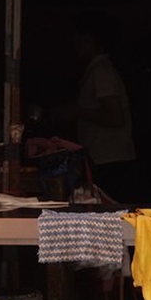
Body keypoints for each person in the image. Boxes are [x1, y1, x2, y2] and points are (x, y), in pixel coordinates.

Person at [52, 18, 138, 202]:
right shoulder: (97, 71)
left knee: (113, 212)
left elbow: (115, 117)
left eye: (78, 41)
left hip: (110, 160)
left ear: (88, 41)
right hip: (105, 158)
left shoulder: (100, 72)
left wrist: (78, 111)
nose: (75, 47)